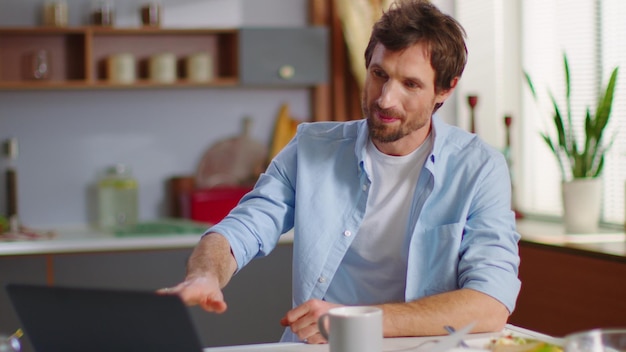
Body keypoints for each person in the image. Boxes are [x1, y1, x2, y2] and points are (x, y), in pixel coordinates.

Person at [160, 0, 520, 344]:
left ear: (445, 89)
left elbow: (490, 303)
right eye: (379, 75)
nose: (385, 99)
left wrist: (355, 320)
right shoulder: (311, 148)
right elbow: (242, 228)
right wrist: (205, 274)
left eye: (410, 84)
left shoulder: (478, 168)